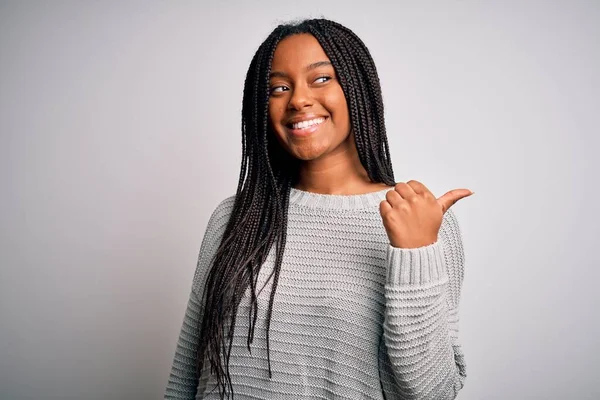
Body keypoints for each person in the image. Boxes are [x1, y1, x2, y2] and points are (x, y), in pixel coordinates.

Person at [164, 18, 472, 400]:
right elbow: (186, 374)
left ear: (356, 87)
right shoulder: (233, 218)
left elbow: (433, 392)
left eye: (321, 79)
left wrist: (415, 253)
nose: (297, 99)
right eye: (278, 87)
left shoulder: (421, 220)